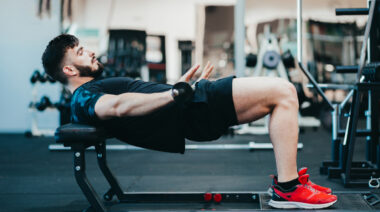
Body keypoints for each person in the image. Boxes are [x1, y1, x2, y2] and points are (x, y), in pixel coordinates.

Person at [42, 34, 337, 209]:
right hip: (193, 106)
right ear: (68, 68)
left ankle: (288, 184)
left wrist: (177, 87)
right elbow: (118, 107)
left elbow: (130, 101)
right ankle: (287, 188)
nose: (90, 51)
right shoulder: (82, 98)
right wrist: (174, 94)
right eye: (80, 52)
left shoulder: (88, 91)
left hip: (193, 105)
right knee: (284, 91)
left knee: (280, 98)